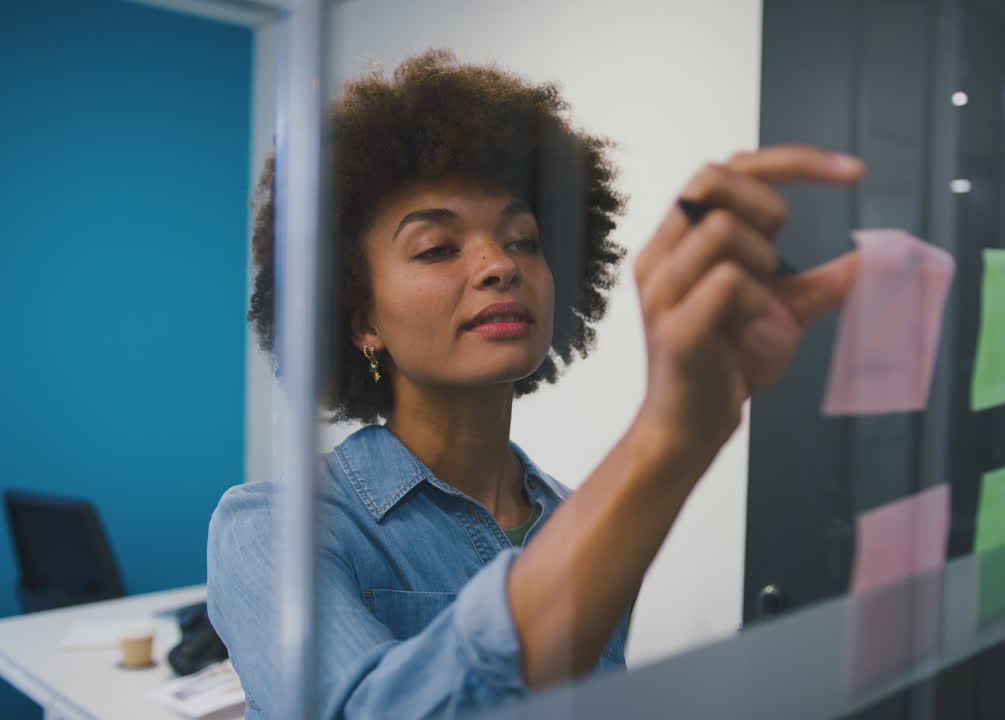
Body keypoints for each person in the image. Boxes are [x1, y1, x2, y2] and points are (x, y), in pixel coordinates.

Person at [206, 49, 863, 719]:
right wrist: (668, 436)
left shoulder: (582, 516)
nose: (499, 265)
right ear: (361, 319)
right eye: (437, 248)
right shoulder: (272, 527)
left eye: (522, 238)